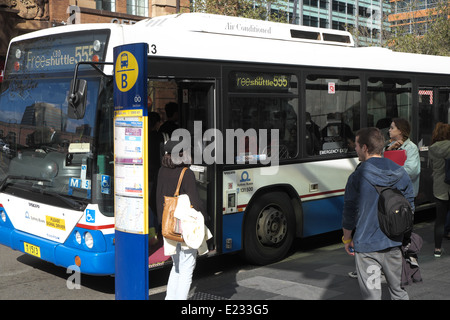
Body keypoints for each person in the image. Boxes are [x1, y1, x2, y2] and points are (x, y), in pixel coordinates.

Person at [342, 127, 414, 300]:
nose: (356, 149)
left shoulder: (358, 176)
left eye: (357, 146)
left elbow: (349, 210)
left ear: (365, 148)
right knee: (398, 292)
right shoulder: (400, 171)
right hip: (394, 242)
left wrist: (347, 238)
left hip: (367, 248)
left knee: (372, 295)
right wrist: (405, 236)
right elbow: (410, 206)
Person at [156, 139, 208, 300]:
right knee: (186, 269)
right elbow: (196, 203)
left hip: (168, 226)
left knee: (176, 267)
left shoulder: (161, 171)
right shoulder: (186, 173)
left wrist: (161, 224)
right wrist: (206, 217)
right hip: (185, 228)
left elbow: (158, 199)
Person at [428, 122, 450, 257]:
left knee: (440, 220)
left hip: (439, 186)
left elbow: (432, 167)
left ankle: (437, 249)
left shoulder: (432, 148)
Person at [385, 118, 421, 197]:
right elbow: (380, 164)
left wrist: (390, 174)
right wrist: (389, 150)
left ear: (400, 131)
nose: (389, 130)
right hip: (392, 193)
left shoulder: (411, 147)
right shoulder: (390, 146)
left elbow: (412, 171)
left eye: (392, 128)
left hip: (405, 194)